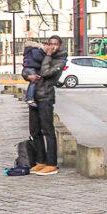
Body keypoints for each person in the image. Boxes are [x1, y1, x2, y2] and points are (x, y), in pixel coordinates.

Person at [27, 36, 67, 175]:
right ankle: (40, 161)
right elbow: (27, 68)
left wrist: (48, 55)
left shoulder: (60, 60)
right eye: (50, 44)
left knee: (48, 130)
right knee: (34, 130)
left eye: (55, 44)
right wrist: (28, 76)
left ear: (60, 45)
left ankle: (51, 163)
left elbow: (45, 73)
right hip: (34, 97)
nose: (52, 46)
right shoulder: (41, 55)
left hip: (46, 97)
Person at [20, 40, 46, 107]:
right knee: (34, 82)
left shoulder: (28, 51)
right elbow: (38, 58)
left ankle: (28, 97)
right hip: (31, 68)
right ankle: (30, 99)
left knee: (32, 82)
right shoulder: (35, 49)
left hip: (26, 68)